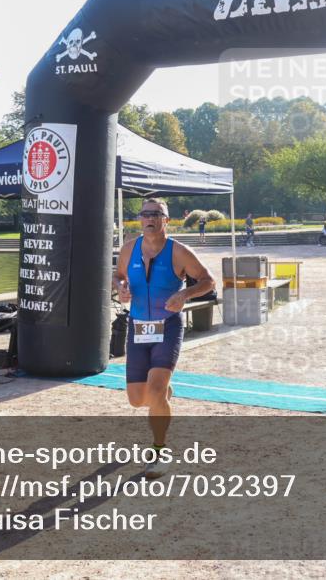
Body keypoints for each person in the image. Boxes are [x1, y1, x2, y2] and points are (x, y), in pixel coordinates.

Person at [113, 199, 215, 479]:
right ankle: (164, 394)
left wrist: (184, 294)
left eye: (156, 214)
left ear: (166, 220)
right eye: (145, 214)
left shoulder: (179, 252)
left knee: (155, 392)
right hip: (138, 328)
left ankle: (159, 451)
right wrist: (121, 288)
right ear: (139, 219)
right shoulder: (128, 249)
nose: (150, 218)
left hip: (167, 327)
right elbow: (119, 276)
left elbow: (208, 281)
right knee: (137, 400)